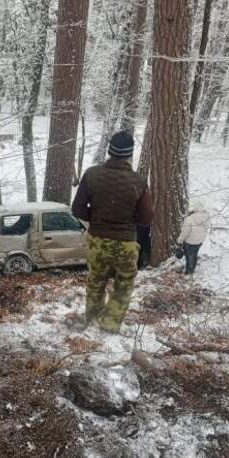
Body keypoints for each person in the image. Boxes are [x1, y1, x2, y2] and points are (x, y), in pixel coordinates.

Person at [71, 130, 153, 333]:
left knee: (96, 280)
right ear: (130, 154)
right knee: (124, 285)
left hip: (97, 240)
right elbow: (146, 219)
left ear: (109, 151)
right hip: (125, 244)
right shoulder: (139, 182)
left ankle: (93, 318)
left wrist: (99, 217)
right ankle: (109, 324)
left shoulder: (92, 174)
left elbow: (77, 209)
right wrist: (125, 218)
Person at [176, 199, 210, 275]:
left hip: (190, 241)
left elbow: (185, 232)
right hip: (200, 241)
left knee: (189, 256)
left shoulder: (189, 219)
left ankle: (189, 271)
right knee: (194, 254)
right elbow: (206, 228)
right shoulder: (206, 217)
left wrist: (180, 240)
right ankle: (192, 268)